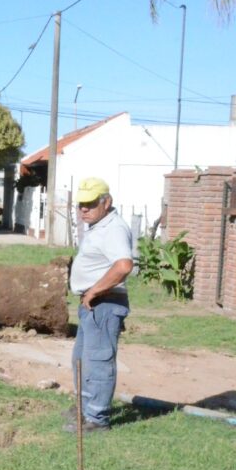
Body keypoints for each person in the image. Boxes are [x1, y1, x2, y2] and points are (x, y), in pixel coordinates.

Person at [67, 177, 133, 432]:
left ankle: (97, 419)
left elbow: (124, 265)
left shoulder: (113, 228)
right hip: (93, 304)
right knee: (82, 360)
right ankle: (84, 409)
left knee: (98, 361)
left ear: (107, 202)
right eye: (81, 204)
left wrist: (94, 291)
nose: (84, 208)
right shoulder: (99, 226)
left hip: (104, 303)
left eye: (90, 203)